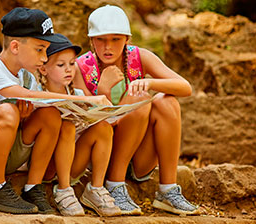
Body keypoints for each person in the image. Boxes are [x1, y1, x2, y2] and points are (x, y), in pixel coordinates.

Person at [0, 7, 111, 214]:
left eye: (46, 50)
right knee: (8, 112)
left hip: (9, 152)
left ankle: (33, 187)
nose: (45, 58)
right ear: (15, 46)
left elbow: (36, 103)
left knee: (50, 115)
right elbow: (27, 96)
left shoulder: (27, 77)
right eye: (40, 49)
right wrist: (82, 98)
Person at [73, 5, 199, 215]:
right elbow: (87, 120)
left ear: (127, 40)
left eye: (116, 39)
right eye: (101, 39)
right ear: (91, 41)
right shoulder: (81, 67)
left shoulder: (139, 57)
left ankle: (168, 190)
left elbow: (185, 87)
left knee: (166, 101)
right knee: (138, 97)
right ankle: (115, 185)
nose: (108, 47)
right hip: (101, 158)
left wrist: (149, 83)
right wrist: (103, 88)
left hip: (139, 158)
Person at [37, 34, 121, 216]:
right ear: (43, 69)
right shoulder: (37, 93)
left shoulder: (78, 93)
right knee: (66, 126)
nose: (68, 69)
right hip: (46, 164)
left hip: (72, 162)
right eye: (61, 65)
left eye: (72, 63)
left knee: (103, 127)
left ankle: (95, 189)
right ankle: (63, 191)